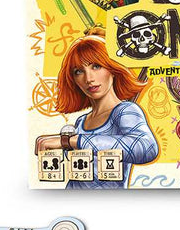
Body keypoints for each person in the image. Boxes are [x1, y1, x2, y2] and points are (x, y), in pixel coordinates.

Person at [36, 36, 158, 188]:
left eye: (96, 66)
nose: (89, 78)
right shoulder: (81, 121)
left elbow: (147, 148)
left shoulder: (125, 111)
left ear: (112, 69)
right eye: (79, 71)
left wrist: (69, 141)